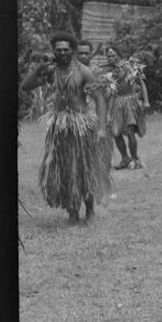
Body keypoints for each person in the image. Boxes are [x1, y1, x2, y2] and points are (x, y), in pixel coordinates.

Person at [20, 30, 112, 224]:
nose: (62, 53)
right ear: (53, 50)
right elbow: (26, 86)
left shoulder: (83, 71)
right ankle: (72, 212)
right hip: (60, 125)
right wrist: (41, 66)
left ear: (73, 50)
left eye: (66, 49)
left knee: (83, 167)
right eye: (58, 49)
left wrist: (102, 128)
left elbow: (100, 99)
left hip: (81, 125)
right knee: (64, 168)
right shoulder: (51, 70)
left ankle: (89, 211)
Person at [102, 44, 151, 170]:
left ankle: (135, 158)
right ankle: (125, 158)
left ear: (118, 55)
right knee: (116, 132)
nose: (111, 58)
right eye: (108, 56)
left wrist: (146, 101)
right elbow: (109, 91)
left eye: (113, 55)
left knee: (130, 132)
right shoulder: (109, 72)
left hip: (130, 102)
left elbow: (141, 82)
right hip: (116, 104)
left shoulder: (128, 66)